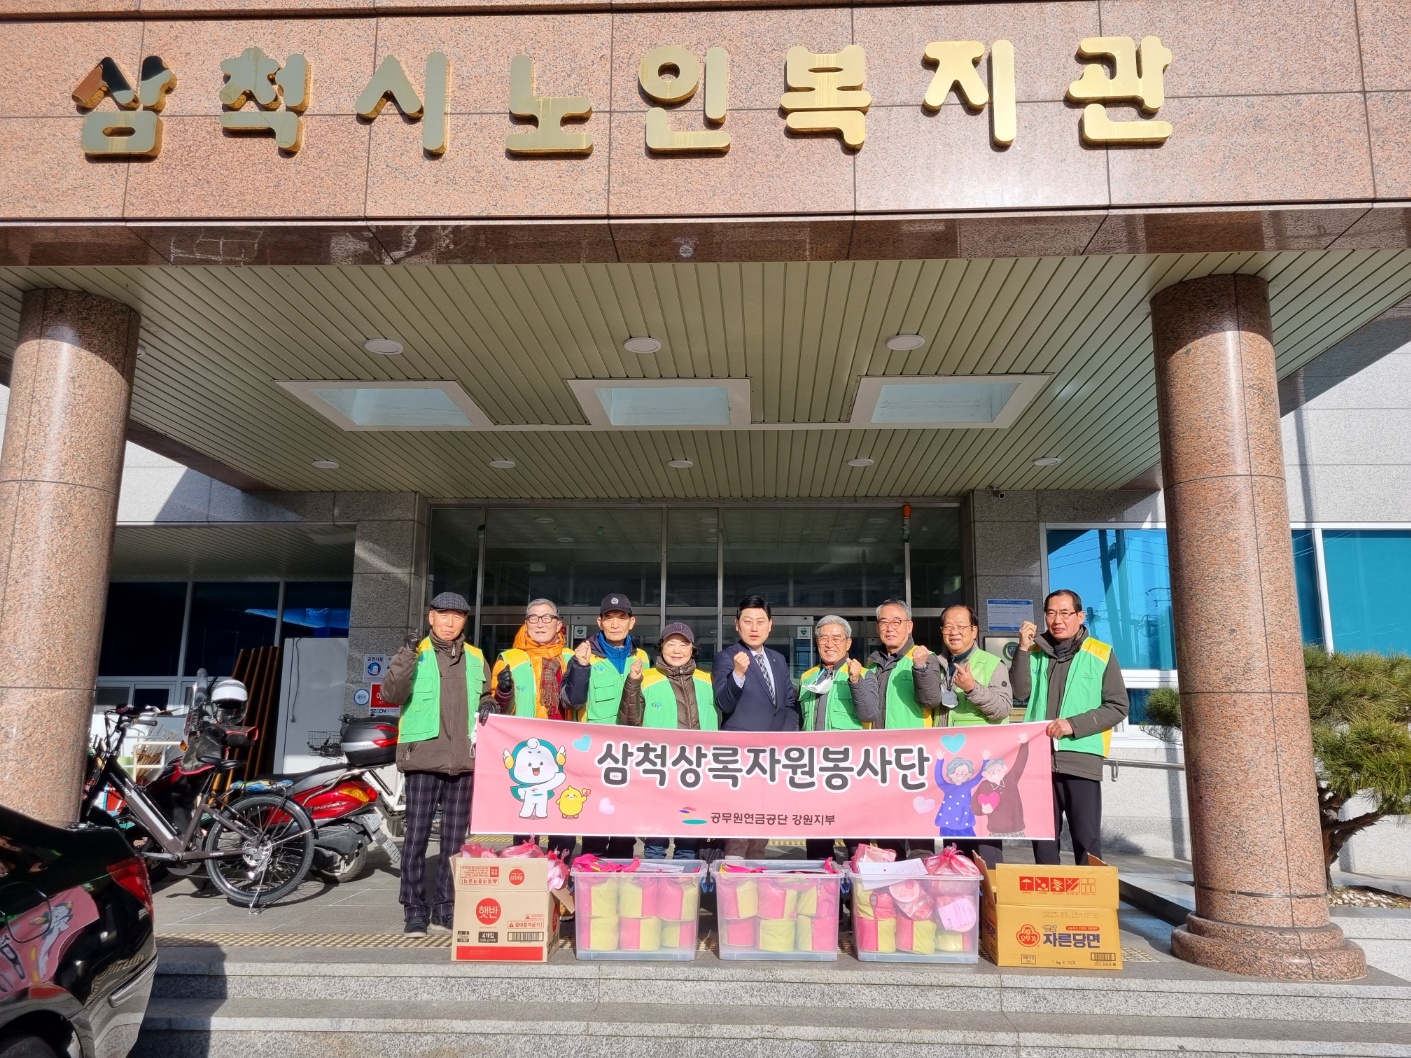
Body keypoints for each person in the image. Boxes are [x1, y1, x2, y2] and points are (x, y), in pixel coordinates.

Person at [379, 592, 492, 937]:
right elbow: (391, 694)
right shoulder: (416, 652)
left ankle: (445, 908)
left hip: (464, 760)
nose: (449, 622)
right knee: (415, 838)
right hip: (424, 758)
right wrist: (406, 654)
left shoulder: (476, 656)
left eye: (457, 616)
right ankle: (414, 909)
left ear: (465, 621)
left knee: (455, 842)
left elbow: (486, 696)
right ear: (431, 617)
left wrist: (493, 701)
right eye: (443, 615)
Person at [1014, 589, 1129, 866]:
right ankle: (1048, 890)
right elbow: (1020, 691)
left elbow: (1117, 706)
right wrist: (1022, 649)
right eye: (1051, 613)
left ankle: (1091, 893)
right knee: (1043, 838)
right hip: (1039, 760)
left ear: (1080, 616)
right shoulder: (1035, 653)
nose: (1057, 620)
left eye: (1065, 613)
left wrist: (1073, 725)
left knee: (1086, 839)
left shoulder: (1101, 653)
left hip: (1081, 761)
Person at [619, 622, 719, 860]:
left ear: (692, 649)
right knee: (656, 840)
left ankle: (685, 881)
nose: (676, 650)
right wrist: (632, 683)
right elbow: (629, 721)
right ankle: (655, 878)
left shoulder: (708, 680)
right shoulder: (645, 678)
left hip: (696, 771)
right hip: (659, 771)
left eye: (683, 644)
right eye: (670, 644)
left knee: (688, 839)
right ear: (661, 647)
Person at [713, 595, 801, 858]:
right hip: (740, 755)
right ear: (736, 624)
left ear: (770, 625)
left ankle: (757, 870)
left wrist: (786, 739)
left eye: (760, 621)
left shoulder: (778, 659)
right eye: (748, 621)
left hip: (772, 755)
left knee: (763, 818)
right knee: (739, 822)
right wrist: (738, 674)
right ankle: (733, 872)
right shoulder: (727, 657)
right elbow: (724, 702)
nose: (754, 628)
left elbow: (787, 702)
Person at [563, 593, 650, 859]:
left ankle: (622, 873)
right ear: (599, 622)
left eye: (621, 618)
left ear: (631, 622)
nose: (615, 624)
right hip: (595, 754)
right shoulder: (583, 655)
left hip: (631, 754)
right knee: (596, 823)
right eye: (609, 618)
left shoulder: (643, 658)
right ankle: (593, 874)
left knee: (625, 825)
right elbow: (571, 701)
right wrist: (581, 667)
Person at [490, 598, 576, 857]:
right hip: (526, 751)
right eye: (534, 618)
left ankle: (560, 872)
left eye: (547, 617)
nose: (540, 623)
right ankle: (527, 869)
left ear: (558, 624)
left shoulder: (571, 658)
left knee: (564, 818)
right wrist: (503, 692)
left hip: (564, 750)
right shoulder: (509, 658)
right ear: (526, 623)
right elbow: (496, 708)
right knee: (527, 819)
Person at [934, 603, 1013, 866]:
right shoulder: (937, 665)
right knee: (954, 845)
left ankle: (988, 891)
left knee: (984, 840)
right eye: (948, 626)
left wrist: (972, 688)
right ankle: (959, 890)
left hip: (981, 766)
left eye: (961, 626)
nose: (954, 632)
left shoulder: (992, 664)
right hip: (952, 768)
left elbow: (1003, 709)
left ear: (974, 630)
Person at [864, 599, 942, 856]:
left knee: (918, 829)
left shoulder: (925, 657)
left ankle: (920, 875)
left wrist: (920, 667)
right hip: (879, 760)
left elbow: (931, 699)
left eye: (896, 622)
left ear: (909, 626)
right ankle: (892, 877)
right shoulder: (871, 665)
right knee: (887, 830)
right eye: (884, 622)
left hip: (913, 759)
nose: (889, 628)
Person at [798, 615, 878, 862]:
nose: (829, 643)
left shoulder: (864, 674)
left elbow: (869, 713)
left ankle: (858, 883)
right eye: (824, 638)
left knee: (855, 836)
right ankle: (823, 882)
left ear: (848, 643)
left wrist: (855, 681)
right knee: (818, 835)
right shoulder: (808, 677)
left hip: (849, 769)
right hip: (814, 768)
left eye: (836, 638)